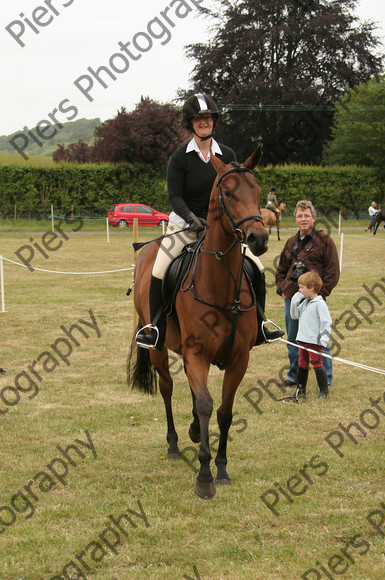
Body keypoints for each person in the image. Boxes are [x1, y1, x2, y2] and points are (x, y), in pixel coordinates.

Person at [136, 92, 284, 350]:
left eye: (208, 118)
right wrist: (192, 219)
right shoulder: (179, 157)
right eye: (198, 118)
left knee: (257, 268)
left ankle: (260, 324)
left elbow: (237, 191)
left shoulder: (227, 153)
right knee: (159, 270)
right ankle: (155, 330)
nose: (204, 122)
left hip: (223, 230)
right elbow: (174, 196)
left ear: (214, 121)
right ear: (190, 123)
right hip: (184, 226)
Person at [275, 200, 340, 386]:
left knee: (319, 339)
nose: (303, 219)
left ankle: (325, 378)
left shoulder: (325, 241)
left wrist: (321, 294)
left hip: (314, 300)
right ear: (295, 219)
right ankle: (294, 376)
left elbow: (333, 271)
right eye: (299, 216)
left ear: (313, 218)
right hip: (292, 299)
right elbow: (281, 270)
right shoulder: (290, 242)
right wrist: (283, 290)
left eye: (306, 216)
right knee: (294, 339)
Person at [290, 271, 332, 400]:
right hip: (302, 339)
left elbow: (327, 322)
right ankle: (300, 389)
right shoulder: (304, 302)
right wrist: (294, 302)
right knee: (302, 363)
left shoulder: (320, 304)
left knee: (316, 363)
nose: (299, 290)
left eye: (302, 288)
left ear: (311, 288)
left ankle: (324, 390)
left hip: (314, 341)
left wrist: (323, 340)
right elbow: (294, 316)